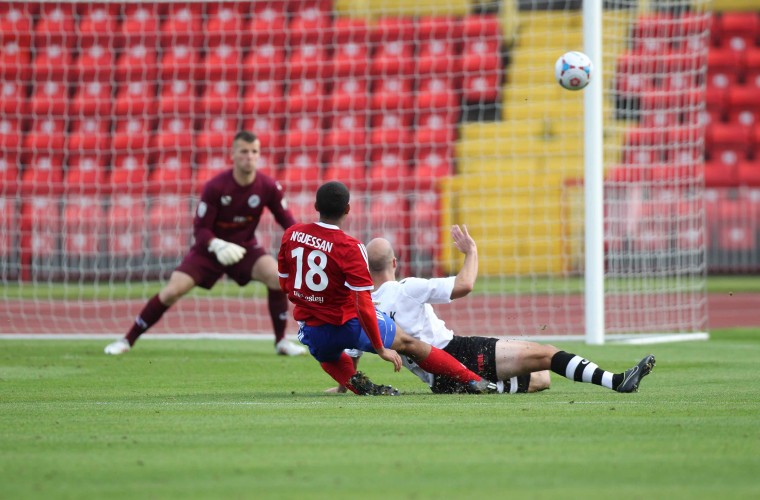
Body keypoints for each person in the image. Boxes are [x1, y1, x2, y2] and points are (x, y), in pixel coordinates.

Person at [329, 225, 655, 395]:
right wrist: (471, 252)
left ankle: (490, 388)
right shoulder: (407, 288)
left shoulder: (367, 308)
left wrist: (345, 384)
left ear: (365, 270)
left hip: (437, 380)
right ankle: (616, 381)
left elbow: (353, 345)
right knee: (546, 353)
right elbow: (464, 285)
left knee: (542, 379)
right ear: (395, 263)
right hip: (459, 353)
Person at [277, 180, 498, 395]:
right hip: (349, 323)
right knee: (409, 343)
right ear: (348, 209)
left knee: (328, 357)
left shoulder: (292, 234)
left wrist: (310, 301)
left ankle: (357, 385)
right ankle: (474, 381)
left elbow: (284, 282)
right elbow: (363, 303)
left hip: (313, 328)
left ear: (315, 207)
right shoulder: (350, 247)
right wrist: (380, 348)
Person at [104, 131, 306, 356]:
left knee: (277, 278)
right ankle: (127, 340)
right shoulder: (216, 187)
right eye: (244, 151)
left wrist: (304, 239)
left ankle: (281, 343)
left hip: (244, 248)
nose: (250, 156)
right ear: (233, 155)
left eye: (254, 152)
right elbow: (200, 230)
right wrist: (217, 245)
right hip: (209, 251)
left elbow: (288, 221)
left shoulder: (268, 186)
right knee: (172, 291)